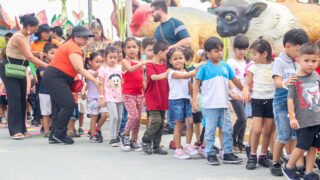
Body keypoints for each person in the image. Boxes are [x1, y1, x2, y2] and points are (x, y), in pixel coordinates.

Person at [42, 26, 99, 145]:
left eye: (87, 37)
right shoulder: (73, 47)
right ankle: (59, 134)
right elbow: (79, 68)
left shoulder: (70, 44)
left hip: (55, 76)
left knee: (60, 106)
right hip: (56, 77)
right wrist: (95, 81)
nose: (85, 40)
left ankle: (54, 135)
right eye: (82, 37)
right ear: (74, 36)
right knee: (68, 104)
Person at [192, 37, 243, 166]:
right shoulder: (204, 67)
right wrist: (194, 100)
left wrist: (245, 90)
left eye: (221, 50)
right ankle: (210, 153)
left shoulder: (225, 66)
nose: (219, 53)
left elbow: (235, 80)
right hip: (210, 106)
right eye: (216, 51)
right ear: (207, 53)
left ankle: (227, 153)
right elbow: (196, 84)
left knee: (227, 130)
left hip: (224, 105)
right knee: (210, 130)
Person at [270, 29, 310, 176]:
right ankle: (275, 162)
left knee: (296, 135)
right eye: (298, 50)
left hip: (297, 104)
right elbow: (277, 82)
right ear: (287, 46)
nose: (300, 54)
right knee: (283, 135)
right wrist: (285, 82)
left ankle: (297, 164)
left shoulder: (299, 62)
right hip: (281, 104)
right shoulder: (279, 62)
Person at [0, 14, 48, 139]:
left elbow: (30, 53)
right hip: (10, 69)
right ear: (28, 26)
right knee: (15, 98)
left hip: (20, 69)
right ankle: (15, 131)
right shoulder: (19, 37)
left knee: (22, 98)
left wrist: (40, 54)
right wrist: (48, 66)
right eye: (35, 28)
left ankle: (22, 128)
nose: (36, 31)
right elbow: (30, 57)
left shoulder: (26, 37)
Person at [282, 43, 320, 179]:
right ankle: (288, 167)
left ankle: (309, 173)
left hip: (316, 118)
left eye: (314, 61)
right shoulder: (294, 79)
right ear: (298, 60)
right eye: (306, 61)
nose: (310, 64)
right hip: (303, 121)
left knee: (313, 147)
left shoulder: (316, 75)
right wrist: (292, 117)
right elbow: (290, 100)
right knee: (303, 146)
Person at [242, 37, 275, 170]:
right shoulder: (252, 67)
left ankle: (263, 156)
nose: (252, 56)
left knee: (267, 131)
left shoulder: (274, 65)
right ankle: (252, 156)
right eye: (251, 53)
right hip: (257, 100)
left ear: (265, 54)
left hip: (271, 100)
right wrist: (245, 91)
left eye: (255, 54)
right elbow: (248, 83)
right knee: (256, 129)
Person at [166, 46, 201, 159]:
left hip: (186, 100)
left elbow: (189, 85)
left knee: (190, 122)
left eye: (180, 58)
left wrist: (193, 98)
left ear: (184, 59)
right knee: (179, 125)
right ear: (170, 61)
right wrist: (197, 69)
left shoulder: (185, 71)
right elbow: (186, 76)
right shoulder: (171, 72)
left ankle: (188, 145)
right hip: (176, 101)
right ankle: (177, 149)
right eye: (175, 59)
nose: (178, 61)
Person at [120, 37, 150, 152]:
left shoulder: (139, 64)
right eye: (128, 47)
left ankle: (134, 140)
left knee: (138, 120)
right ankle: (125, 135)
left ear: (138, 49)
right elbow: (131, 70)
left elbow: (142, 80)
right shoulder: (125, 61)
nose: (131, 49)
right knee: (134, 116)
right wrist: (143, 63)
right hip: (128, 94)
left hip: (139, 94)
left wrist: (147, 94)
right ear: (124, 49)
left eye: (134, 47)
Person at [141, 40, 170, 155]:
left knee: (161, 122)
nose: (168, 56)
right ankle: (146, 139)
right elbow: (152, 77)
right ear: (161, 52)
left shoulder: (165, 65)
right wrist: (165, 74)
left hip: (163, 96)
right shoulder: (150, 64)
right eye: (167, 53)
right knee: (156, 121)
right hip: (153, 96)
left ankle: (156, 146)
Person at [227, 34, 249, 153]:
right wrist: (233, 92)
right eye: (240, 49)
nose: (242, 51)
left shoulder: (248, 63)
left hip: (246, 94)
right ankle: (230, 140)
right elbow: (229, 79)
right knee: (242, 118)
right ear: (234, 48)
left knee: (244, 119)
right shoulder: (230, 62)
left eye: (245, 49)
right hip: (235, 94)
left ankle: (240, 143)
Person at [99, 46, 123, 147]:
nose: (113, 59)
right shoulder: (103, 69)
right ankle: (112, 138)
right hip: (109, 97)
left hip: (120, 96)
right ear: (105, 57)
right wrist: (101, 96)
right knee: (114, 116)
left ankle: (117, 135)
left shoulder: (120, 67)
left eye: (115, 57)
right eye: (111, 57)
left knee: (120, 117)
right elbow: (100, 83)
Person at [84, 52, 107, 143]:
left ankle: (96, 129)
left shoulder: (102, 72)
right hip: (92, 98)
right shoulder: (89, 72)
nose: (100, 64)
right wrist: (102, 69)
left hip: (101, 97)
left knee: (104, 115)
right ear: (90, 62)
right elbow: (93, 76)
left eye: (101, 62)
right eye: (97, 62)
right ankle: (93, 135)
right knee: (94, 116)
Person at [38, 43, 58, 137]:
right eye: (52, 53)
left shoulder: (58, 64)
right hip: (44, 92)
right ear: (45, 53)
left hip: (55, 92)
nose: (54, 55)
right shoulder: (42, 64)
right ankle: (46, 130)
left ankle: (52, 129)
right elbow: (43, 75)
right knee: (46, 112)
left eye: (56, 53)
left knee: (54, 112)